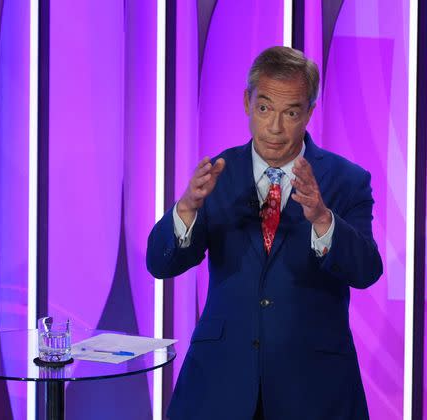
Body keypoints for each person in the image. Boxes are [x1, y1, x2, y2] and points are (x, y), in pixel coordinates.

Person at [147, 46, 383, 420]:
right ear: (247, 102)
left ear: (308, 112)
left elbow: (367, 270)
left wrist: (322, 218)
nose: (274, 127)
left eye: (290, 112)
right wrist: (187, 208)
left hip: (313, 387)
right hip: (220, 383)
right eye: (264, 108)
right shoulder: (218, 173)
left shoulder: (347, 180)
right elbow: (160, 264)